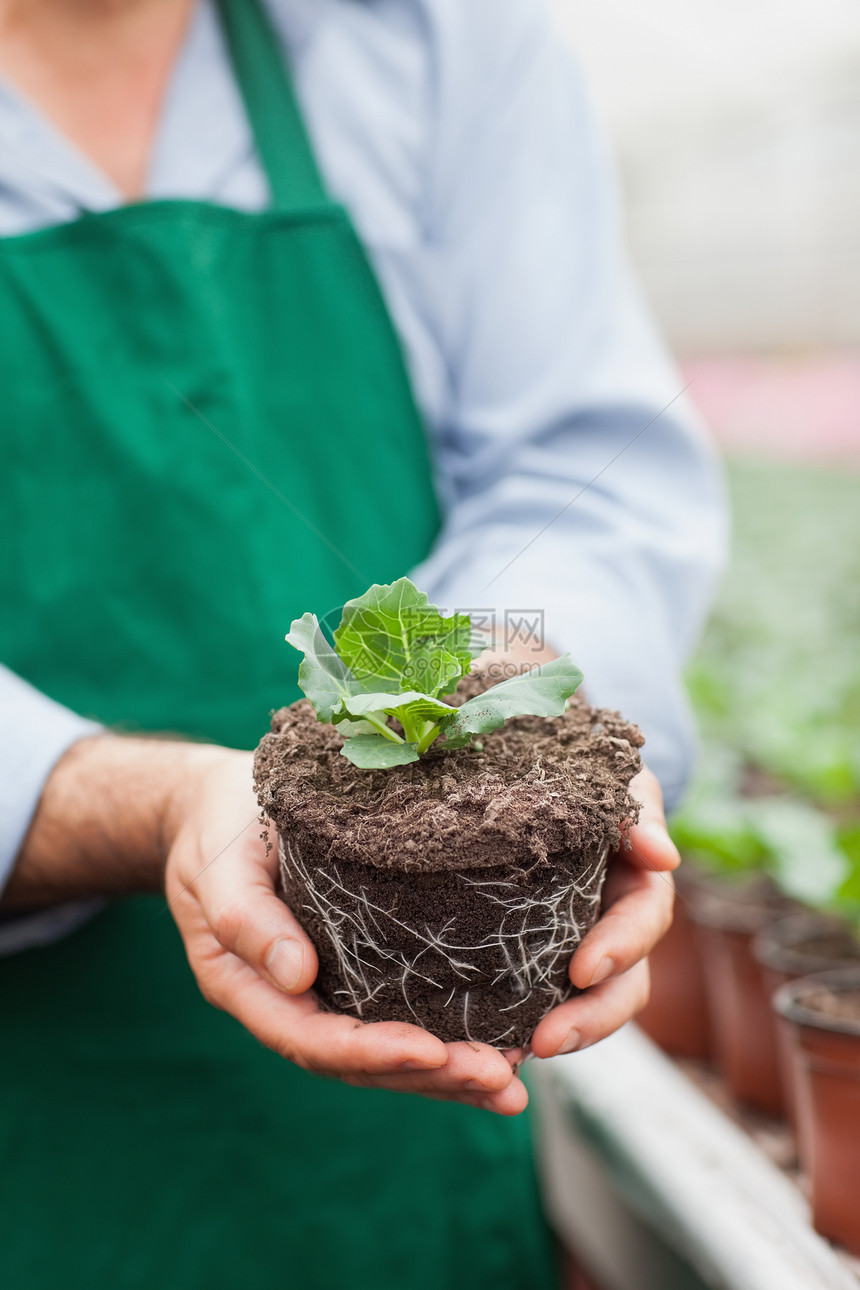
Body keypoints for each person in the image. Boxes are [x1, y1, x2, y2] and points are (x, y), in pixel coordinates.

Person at [0, 0, 725, 1286]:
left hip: (391, 1166)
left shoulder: (438, 41)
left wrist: (508, 729)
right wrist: (148, 804)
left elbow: (579, 470)